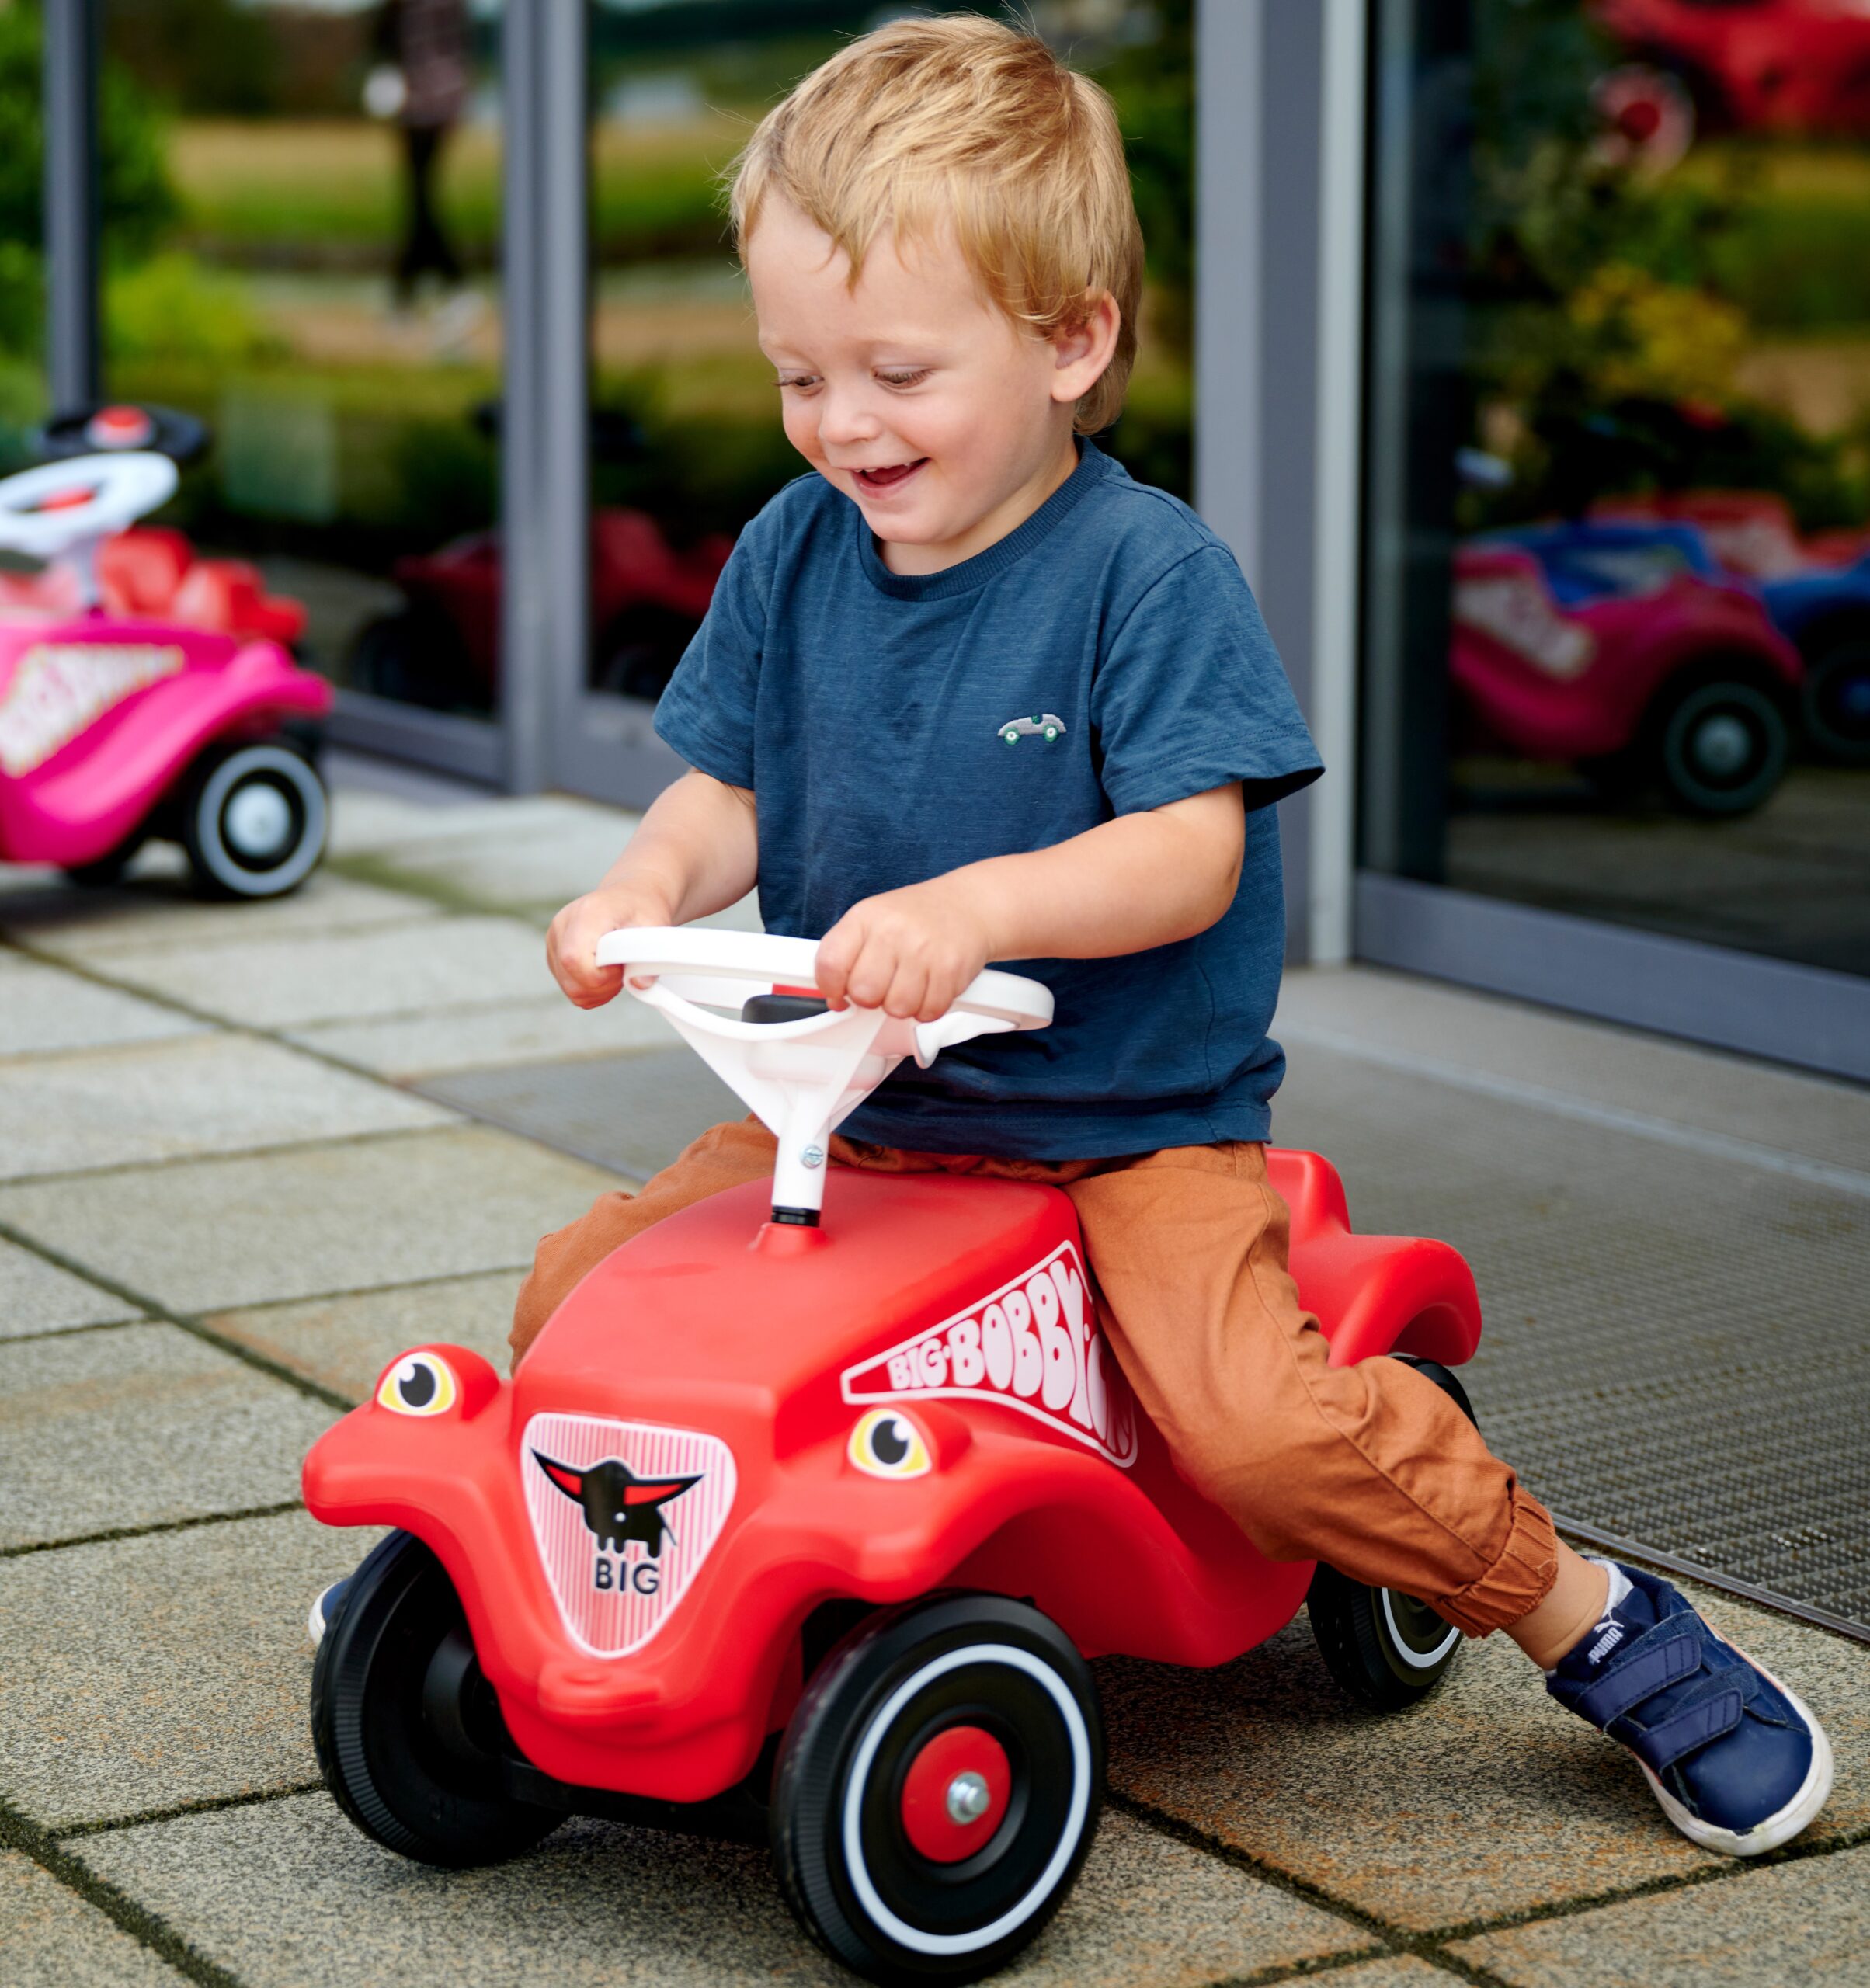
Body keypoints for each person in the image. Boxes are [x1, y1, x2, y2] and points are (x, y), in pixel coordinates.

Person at [513, 15, 1833, 1858]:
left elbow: (1186, 856)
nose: (842, 424)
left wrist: (970, 906)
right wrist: (642, 892)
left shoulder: (1145, 576)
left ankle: (1586, 1614)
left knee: (1262, 1427)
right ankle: (572, 1611)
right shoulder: (792, 552)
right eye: (798, 375)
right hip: (861, 1110)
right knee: (582, 1300)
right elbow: (723, 791)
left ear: (1071, 342)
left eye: (895, 369)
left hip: (1122, 1126)